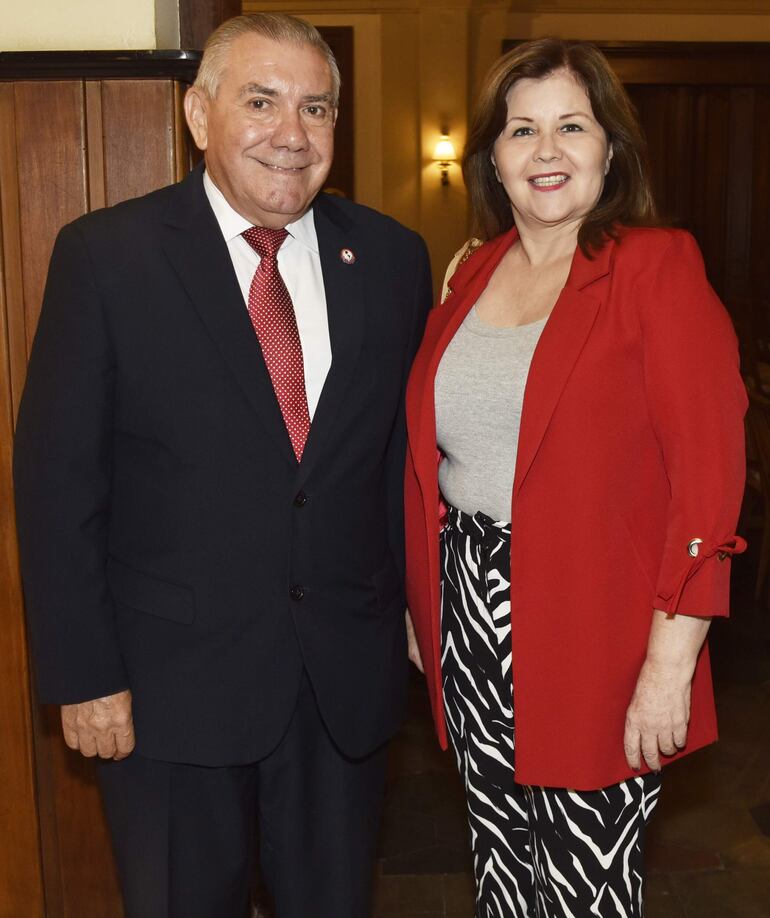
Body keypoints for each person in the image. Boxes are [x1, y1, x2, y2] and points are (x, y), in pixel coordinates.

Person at [14, 13, 431, 918]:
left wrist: (415, 619)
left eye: (316, 107)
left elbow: (400, 462)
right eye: (261, 100)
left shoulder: (393, 258)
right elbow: (57, 485)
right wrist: (84, 675)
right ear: (199, 116)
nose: (292, 132)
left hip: (341, 693)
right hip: (168, 697)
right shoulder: (106, 256)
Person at [403, 38, 746, 917]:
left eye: (570, 126)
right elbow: (437, 460)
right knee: (501, 878)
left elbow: (709, 475)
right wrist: (423, 607)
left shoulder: (655, 266)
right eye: (522, 130)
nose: (545, 151)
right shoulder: (470, 272)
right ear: (493, 156)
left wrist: (671, 665)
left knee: (584, 891)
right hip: (471, 622)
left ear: (610, 149)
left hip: (602, 632)